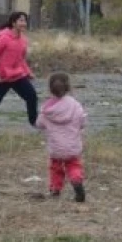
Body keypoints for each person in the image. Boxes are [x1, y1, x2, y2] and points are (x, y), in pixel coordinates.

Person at [0, 12, 38, 131]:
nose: (23, 23)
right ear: (13, 22)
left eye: (25, 21)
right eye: (20, 21)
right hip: (1, 77)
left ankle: (34, 122)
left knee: (32, 96)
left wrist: (28, 72)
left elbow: (20, 59)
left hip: (17, 76)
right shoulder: (3, 37)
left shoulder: (23, 40)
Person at [36, 72, 87, 202]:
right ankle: (76, 181)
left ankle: (55, 189)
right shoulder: (75, 105)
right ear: (68, 87)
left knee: (56, 168)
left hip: (55, 148)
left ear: (50, 88)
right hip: (73, 146)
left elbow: (39, 124)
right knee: (73, 165)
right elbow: (82, 121)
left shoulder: (47, 109)